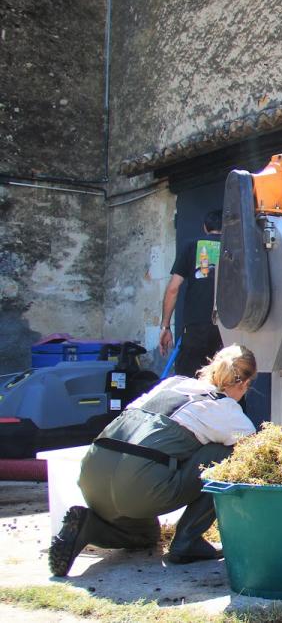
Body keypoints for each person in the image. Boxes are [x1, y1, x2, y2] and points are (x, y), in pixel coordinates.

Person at [48, 345, 258, 576]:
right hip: (138, 489)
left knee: (146, 536)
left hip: (92, 479)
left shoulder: (172, 383)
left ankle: (88, 526)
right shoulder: (227, 410)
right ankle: (187, 541)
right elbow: (254, 451)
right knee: (227, 455)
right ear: (244, 384)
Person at [159, 210, 223, 378]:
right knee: (224, 381)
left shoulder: (191, 246)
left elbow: (173, 289)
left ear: (205, 227)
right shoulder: (236, 249)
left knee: (188, 381)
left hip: (196, 326)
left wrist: (165, 326)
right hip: (228, 328)